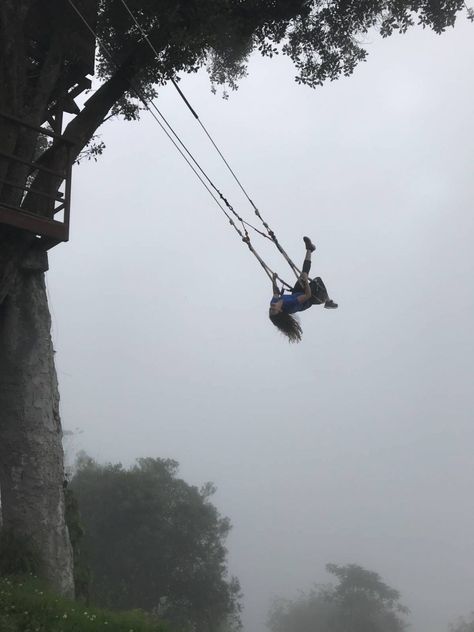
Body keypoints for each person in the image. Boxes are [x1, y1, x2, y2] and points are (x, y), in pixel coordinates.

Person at [269, 236, 338, 342]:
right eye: (274, 309)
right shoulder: (291, 305)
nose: (272, 306)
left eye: (271, 309)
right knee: (315, 279)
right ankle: (327, 301)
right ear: (280, 310)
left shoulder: (274, 302)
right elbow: (307, 295)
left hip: (297, 293)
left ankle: (310, 249)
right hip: (310, 298)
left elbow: (275, 292)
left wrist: (274, 280)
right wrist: (306, 281)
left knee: (302, 274)